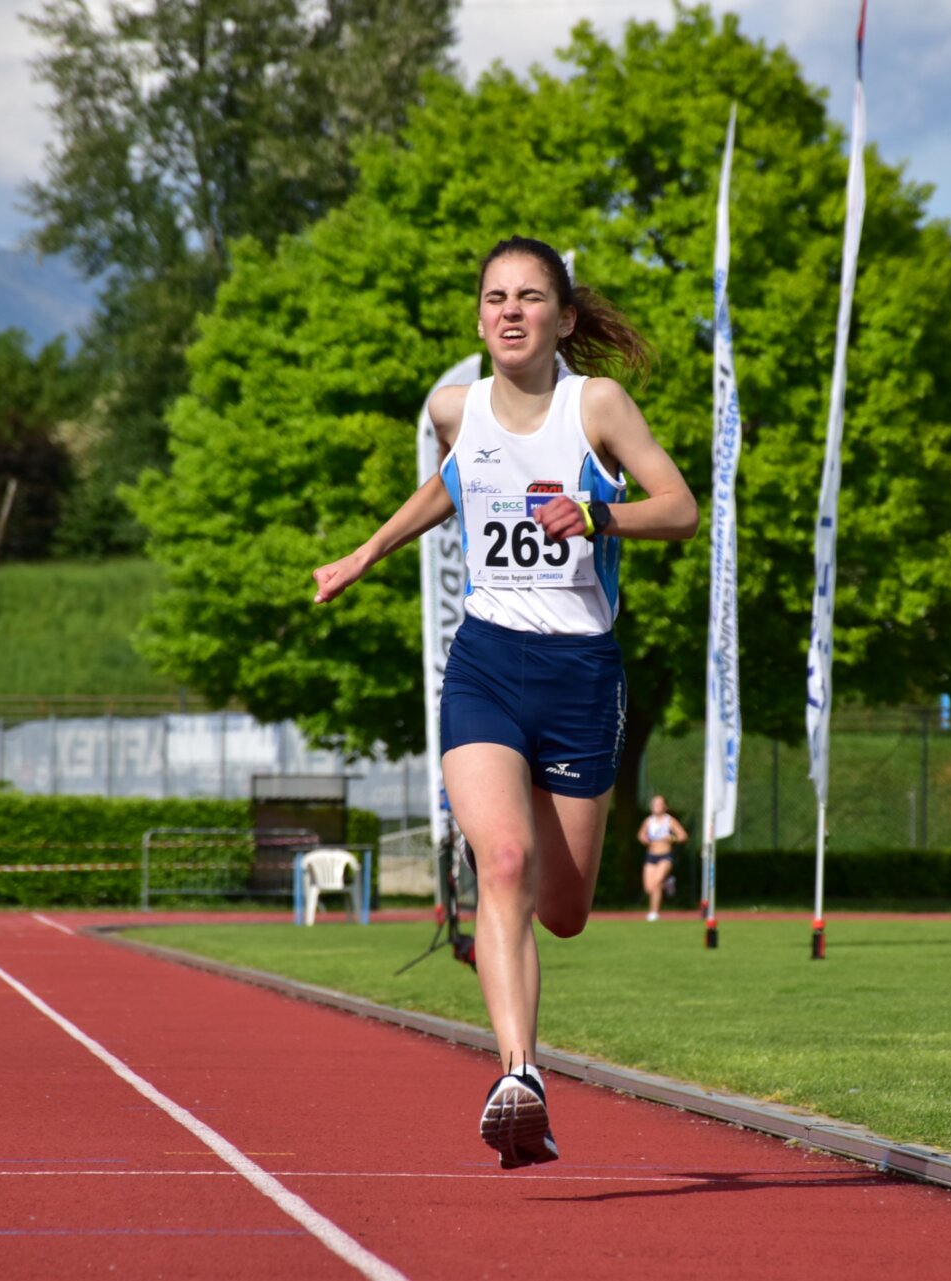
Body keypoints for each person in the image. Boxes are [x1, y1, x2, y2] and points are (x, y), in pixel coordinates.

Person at [311, 236, 697, 1170]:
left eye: (530, 297)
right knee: (505, 862)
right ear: (480, 315)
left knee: (561, 909)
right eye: (495, 297)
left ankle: (521, 1049)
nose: (510, 311)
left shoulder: (593, 405)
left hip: (580, 673)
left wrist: (597, 512)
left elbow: (680, 507)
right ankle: (518, 1076)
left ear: (564, 318)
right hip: (485, 662)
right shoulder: (457, 408)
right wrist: (366, 554)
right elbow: (452, 485)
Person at [637, 794, 688, 921]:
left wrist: (671, 838)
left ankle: (654, 912)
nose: (657, 806)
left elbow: (682, 836)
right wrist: (645, 839)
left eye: (659, 804)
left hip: (665, 855)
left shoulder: (669, 821)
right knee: (649, 887)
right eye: (654, 804)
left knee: (656, 883)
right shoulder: (649, 821)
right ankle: (668, 881)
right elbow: (640, 835)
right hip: (651, 855)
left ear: (665, 806)